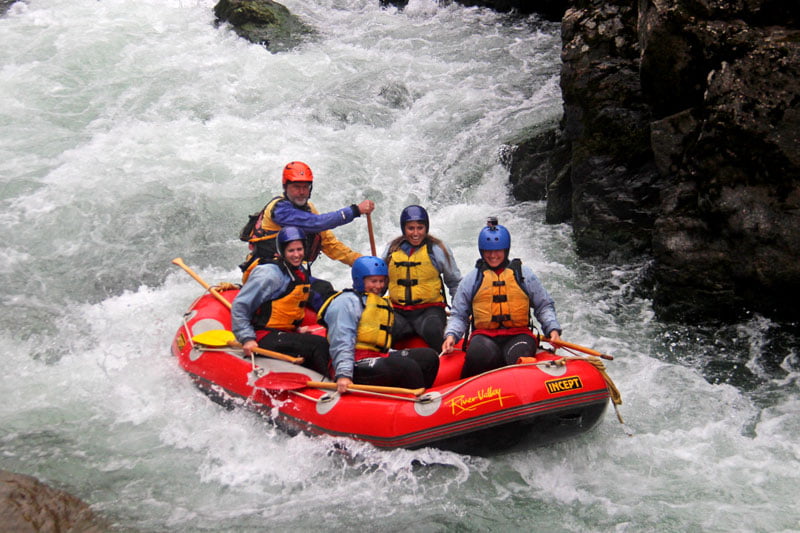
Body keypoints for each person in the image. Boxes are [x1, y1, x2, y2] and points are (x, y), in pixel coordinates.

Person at [238, 161, 375, 307]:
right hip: (266, 273)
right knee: (321, 292)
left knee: (326, 289)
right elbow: (318, 223)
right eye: (296, 187)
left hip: (290, 271)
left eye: (305, 187)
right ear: (286, 187)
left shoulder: (309, 209)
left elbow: (329, 244)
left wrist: (363, 263)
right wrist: (355, 211)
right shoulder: (279, 209)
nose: (302, 192)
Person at [441, 218, 562, 378]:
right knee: (479, 355)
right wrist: (451, 335)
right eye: (488, 251)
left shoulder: (524, 275)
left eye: (498, 250)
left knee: (519, 355)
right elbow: (459, 315)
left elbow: (543, 306)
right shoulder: (472, 279)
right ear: (481, 251)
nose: (493, 255)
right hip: (484, 336)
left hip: (519, 335)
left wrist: (552, 329)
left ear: (506, 250)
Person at [317, 256, 440, 394]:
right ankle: (413, 405)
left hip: (378, 356)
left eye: (382, 281)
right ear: (359, 280)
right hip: (354, 364)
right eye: (373, 281)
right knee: (406, 367)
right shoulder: (345, 302)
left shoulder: (378, 301)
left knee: (428, 357)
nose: (379, 286)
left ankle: (422, 398)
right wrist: (344, 375)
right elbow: (341, 341)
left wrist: (395, 355)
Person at [231, 226, 331, 377]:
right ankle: (329, 384)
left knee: (323, 340)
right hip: (263, 335)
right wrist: (247, 338)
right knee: (319, 344)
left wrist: (297, 330)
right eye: (291, 251)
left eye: (299, 249)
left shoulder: (298, 271)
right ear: (281, 251)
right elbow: (240, 306)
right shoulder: (269, 275)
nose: (297, 255)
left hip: (282, 332)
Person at [381, 205, 461, 350]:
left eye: (420, 227)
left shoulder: (437, 249)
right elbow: (380, 283)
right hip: (398, 311)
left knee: (433, 331)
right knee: (383, 335)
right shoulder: (391, 249)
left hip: (429, 311)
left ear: (426, 227)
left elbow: (454, 283)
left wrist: (459, 313)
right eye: (411, 228)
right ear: (403, 229)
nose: (416, 233)